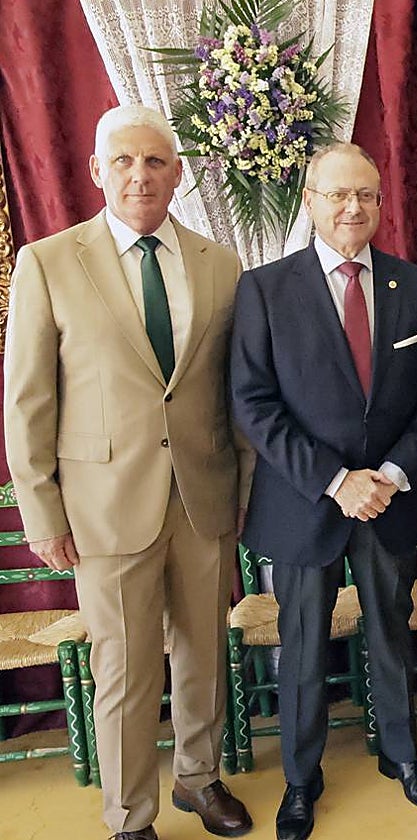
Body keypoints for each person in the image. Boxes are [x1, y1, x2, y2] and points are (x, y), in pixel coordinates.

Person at [3, 104, 253, 840]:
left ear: (178, 173)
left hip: (203, 500)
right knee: (125, 670)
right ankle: (129, 815)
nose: (140, 175)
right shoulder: (49, 261)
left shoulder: (220, 262)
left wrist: (242, 486)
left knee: (204, 656)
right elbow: (27, 402)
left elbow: (229, 392)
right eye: (124, 161)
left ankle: (199, 781)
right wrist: (41, 513)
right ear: (96, 171)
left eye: (155, 162)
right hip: (103, 508)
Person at [229, 143, 417, 840]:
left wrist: (386, 477)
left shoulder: (416, 286)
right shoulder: (264, 289)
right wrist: (335, 480)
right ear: (310, 201)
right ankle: (301, 778)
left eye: (365, 195)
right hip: (305, 503)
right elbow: (253, 403)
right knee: (301, 646)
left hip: (389, 499)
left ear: (382, 203)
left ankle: (401, 755)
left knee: (391, 632)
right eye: (337, 194)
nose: (352, 207)